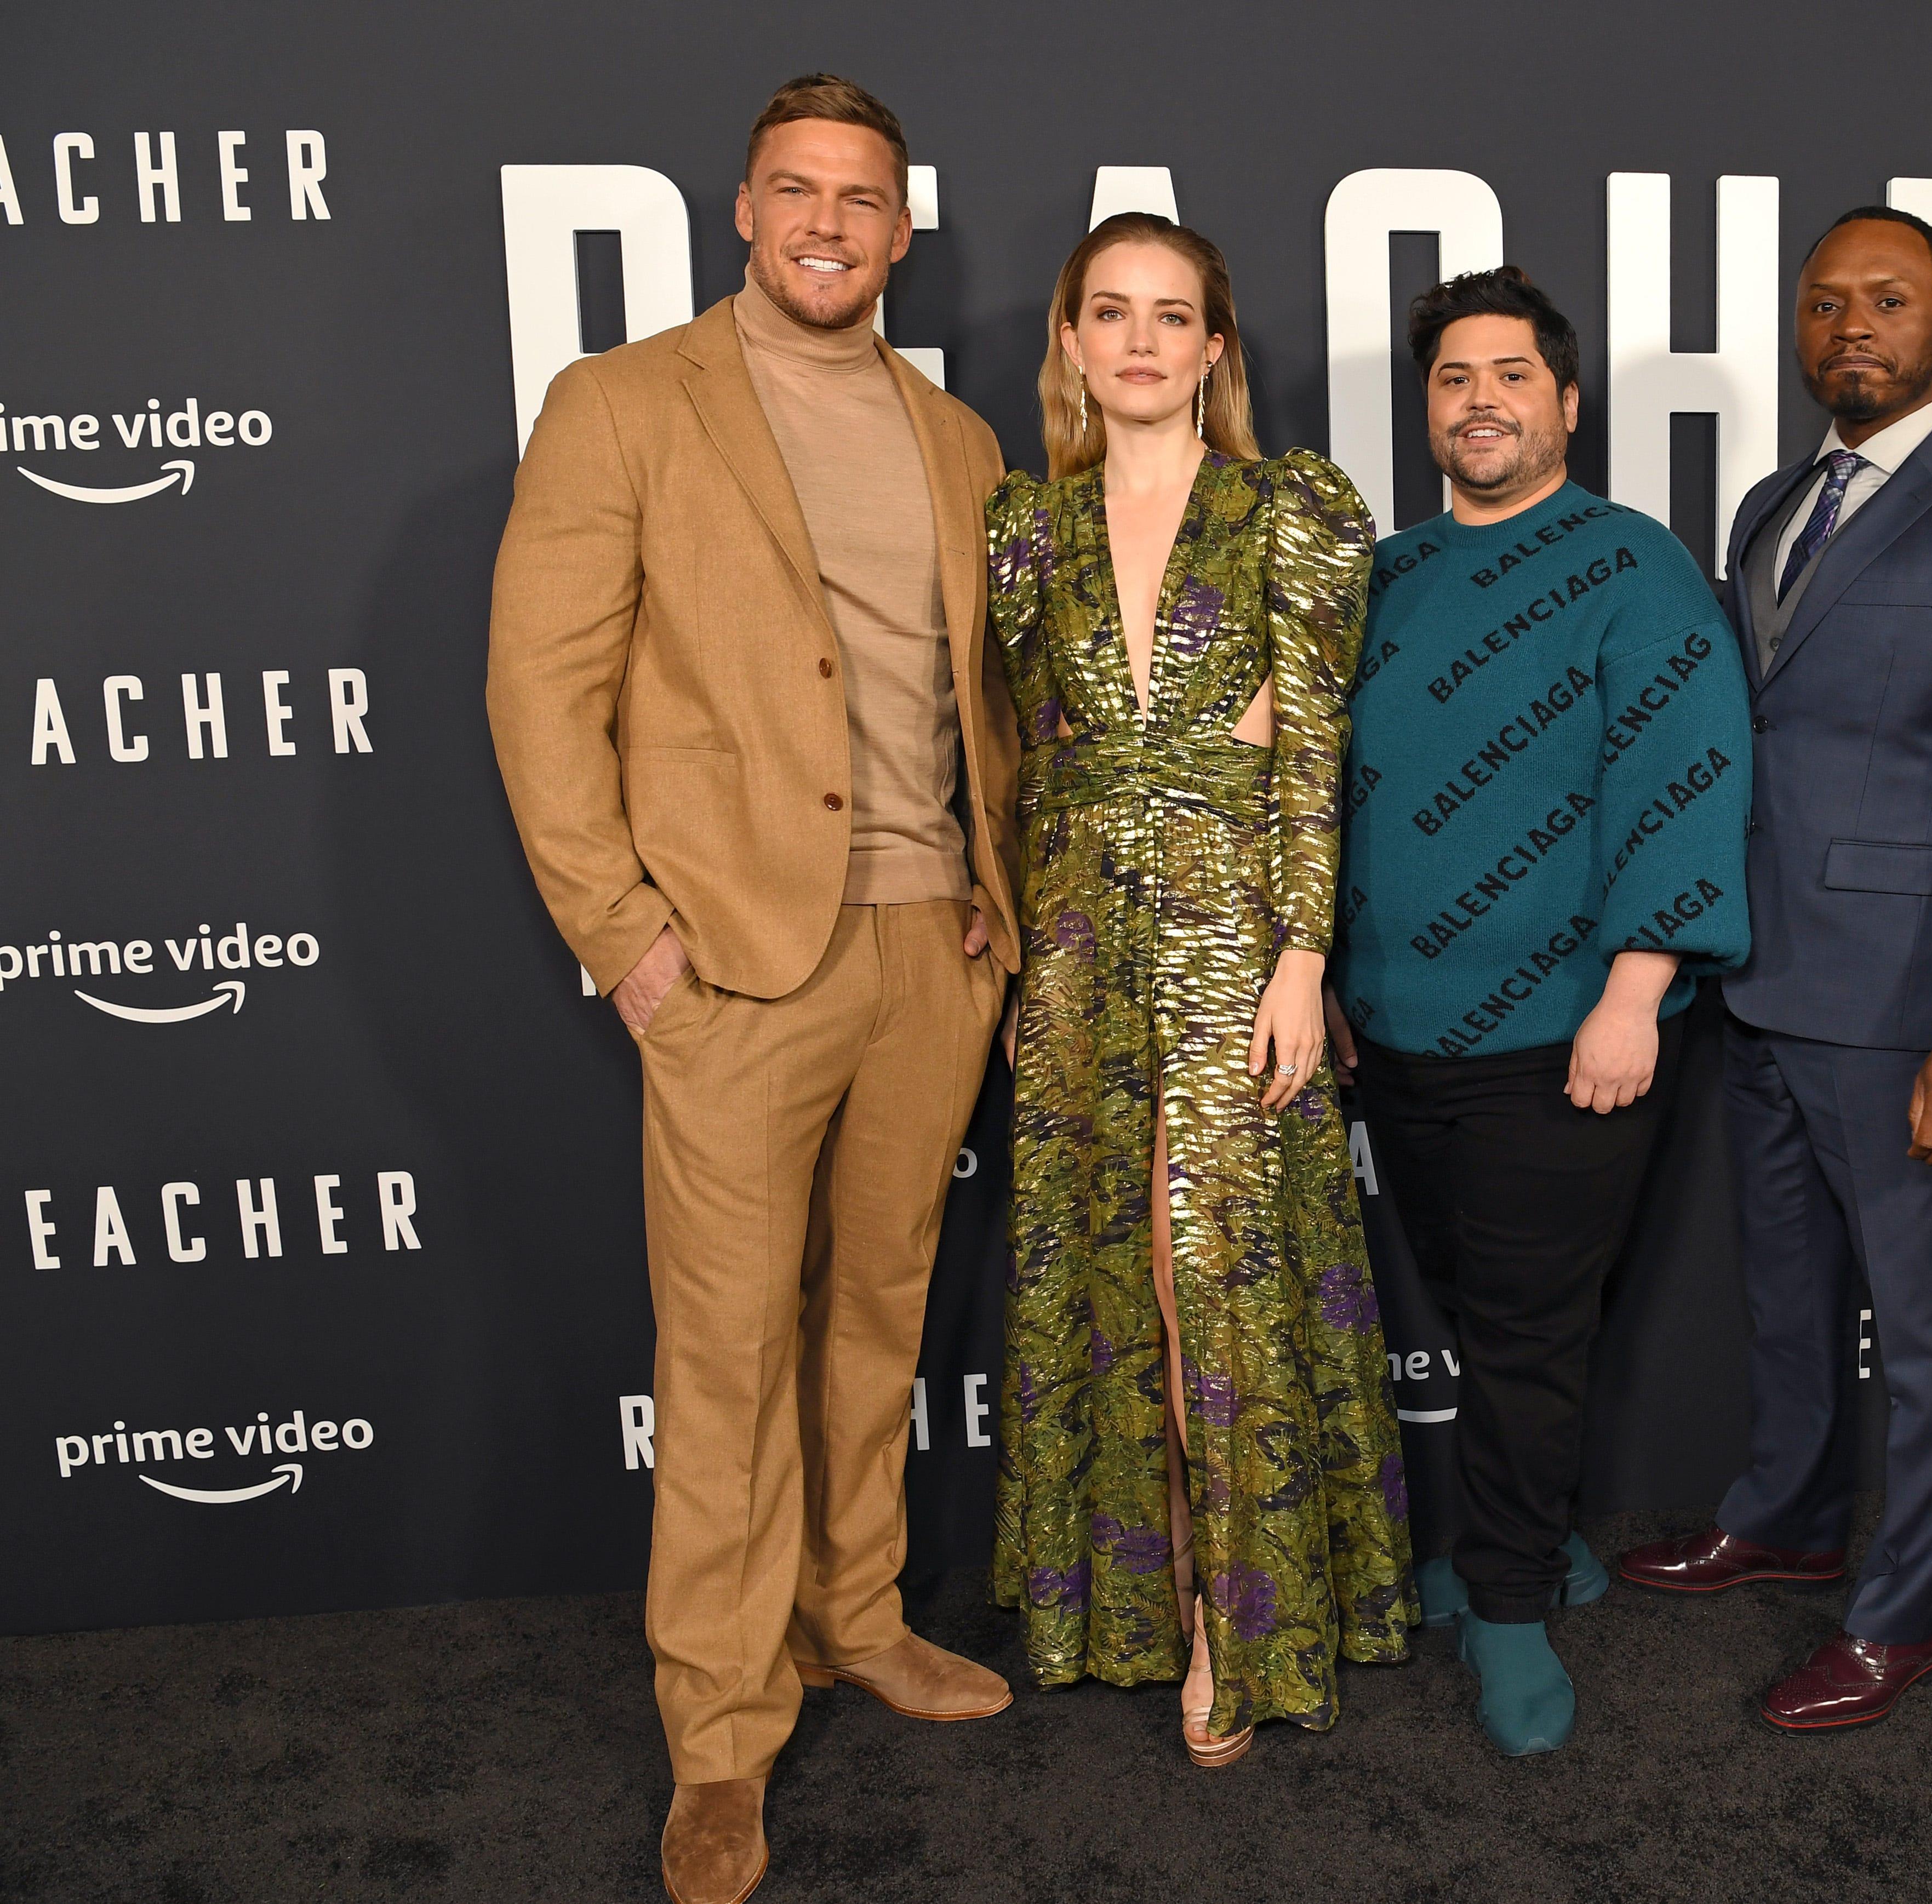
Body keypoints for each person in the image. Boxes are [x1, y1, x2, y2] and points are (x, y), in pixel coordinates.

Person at [488, 74, 1018, 1904]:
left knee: (882, 1311)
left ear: (900, 226)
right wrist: (626, 939)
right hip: (729, 963)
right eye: (797, 190)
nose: (828, 223)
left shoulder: (960, 442)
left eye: (861, 198)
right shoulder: (625, 403)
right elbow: (538, 695)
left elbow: (986, 703)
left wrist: (995, 901)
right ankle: (719, 1733)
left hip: (929, 947)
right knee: (723, 1359)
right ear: (742, 207)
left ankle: (852, 1614)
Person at [1616, 208, 1932, 1732]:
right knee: (1790, 1294)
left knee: (1930, 1323)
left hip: (1903, 1007)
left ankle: (1905, 1614)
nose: (1852, 328)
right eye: (1825, 303)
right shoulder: (1774, 501)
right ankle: (1791, 1517)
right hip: (1754, 983)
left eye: (1889, 301)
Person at [985, 211, 1417, 1768]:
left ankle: (1244, 1624)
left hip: (1241, 932)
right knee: (1105, 1276)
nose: (1144, 341)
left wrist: (1304, 959)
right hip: (1086, 941)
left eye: (1176, 315)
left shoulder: (1286, 507)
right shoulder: (1025, 528)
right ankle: (1139, 1601)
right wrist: (1026, 954)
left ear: (1217, 348)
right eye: (1113, 313)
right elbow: (1035, 765)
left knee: (1211, 1271)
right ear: (1073, 341)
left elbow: (1309, 751)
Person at [1327, 266, 1752, 1756]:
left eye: (1511, 374)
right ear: (1428, 406)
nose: (1481, 400)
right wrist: (1319, 974)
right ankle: (1542, 1541)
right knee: (1479, 1304)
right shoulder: (1384, 575)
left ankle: (1506, 1600)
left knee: (1520, 1333)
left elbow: (1685, 783)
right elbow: (1317, 797)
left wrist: (1638, 991)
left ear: (1566, 403)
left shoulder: (1636, 565)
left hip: (1567, 1031)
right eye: (1453, 377)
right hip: (1396, 1028)